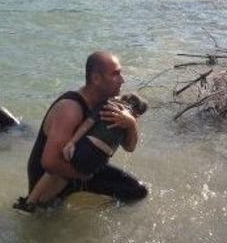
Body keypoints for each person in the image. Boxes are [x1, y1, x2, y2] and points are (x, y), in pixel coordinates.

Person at [21, 51, 148, 209]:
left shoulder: (112, 105)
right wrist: (85, 176)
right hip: (54, 175)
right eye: (115, 74)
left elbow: (129, 147)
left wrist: (130, 124)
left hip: (84, 167)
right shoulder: (70, 108)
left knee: (137, 191)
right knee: (46, 219)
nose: (122, 80)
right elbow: (50, 162)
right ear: (96, 79)